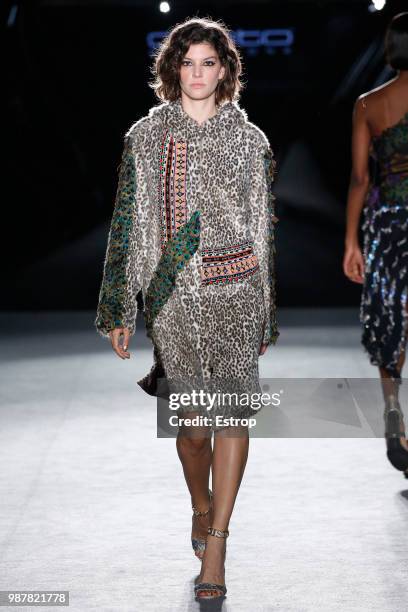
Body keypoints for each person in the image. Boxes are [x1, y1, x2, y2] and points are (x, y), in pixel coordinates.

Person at [94, 16, 279, 600]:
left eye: (209, 62)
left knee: (232, 418)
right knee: (193, 432)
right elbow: (127, 224)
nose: (197, 73)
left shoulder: (250, 142)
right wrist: (120, 306)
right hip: (172, 298)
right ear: (172, 69)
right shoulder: (145, 137)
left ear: (225, 71)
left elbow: (262, 230)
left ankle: (218, 545)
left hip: (237, 292)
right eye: (187, 62)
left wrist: (265, 312)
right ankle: (200, 505)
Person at [343, 12, 408, 478]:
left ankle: (393, 413)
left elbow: (360, 179)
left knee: (391, 321)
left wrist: (351, 242)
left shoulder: (370, 104)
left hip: (387, 228)